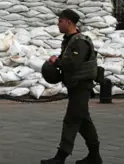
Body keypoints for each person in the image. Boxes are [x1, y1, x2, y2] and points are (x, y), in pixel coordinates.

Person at [42, 9, 102, 164]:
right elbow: (68, 58)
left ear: (68, 22)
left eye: (60, 21)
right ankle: (94, 156)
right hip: (75, 85)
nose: (58, 24)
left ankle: (61, 156)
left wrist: (57, 61)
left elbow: (73, 63)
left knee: (72, 120)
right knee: (83, 121)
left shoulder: (79, 41)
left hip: (81, 85)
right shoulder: (69, 40)